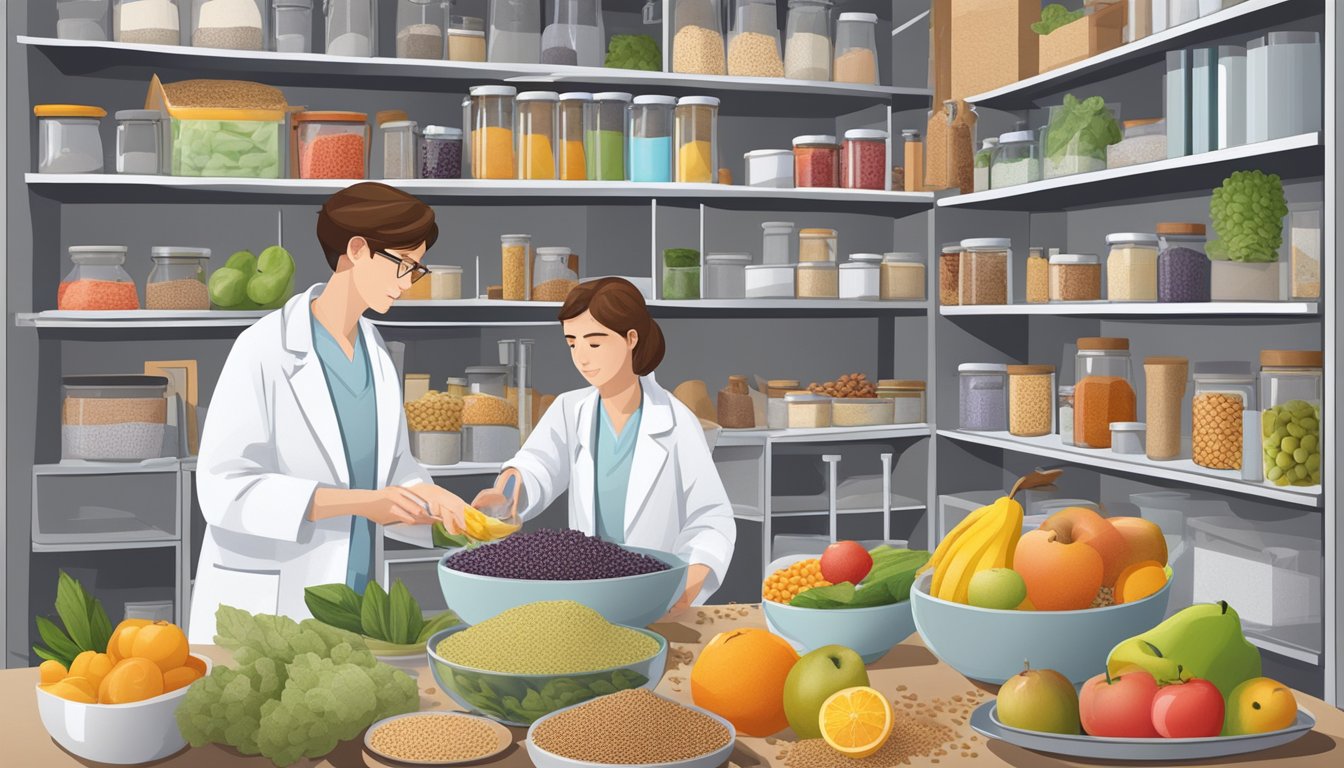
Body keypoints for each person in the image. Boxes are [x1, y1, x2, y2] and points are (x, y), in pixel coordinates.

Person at [189, 183, 467, 642]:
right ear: (356, 250)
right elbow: (223, 489)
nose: (406, 282)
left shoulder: (375, 351)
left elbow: (394, 469)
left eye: (415, 270)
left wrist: (437, 506)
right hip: (272, 608)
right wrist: (365, 504)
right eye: (402, 265)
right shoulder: (263, 348)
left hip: (354, 603)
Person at [451, 278, 736, 612]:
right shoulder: (571, 409)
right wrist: (508, 489)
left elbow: (711, 518)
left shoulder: (676, 421)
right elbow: (537, 462)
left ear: (632, 339)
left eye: (595, 343)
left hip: (653, 593)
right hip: (587, 590)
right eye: (572, 344)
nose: (582, 358)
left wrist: (684, 591)